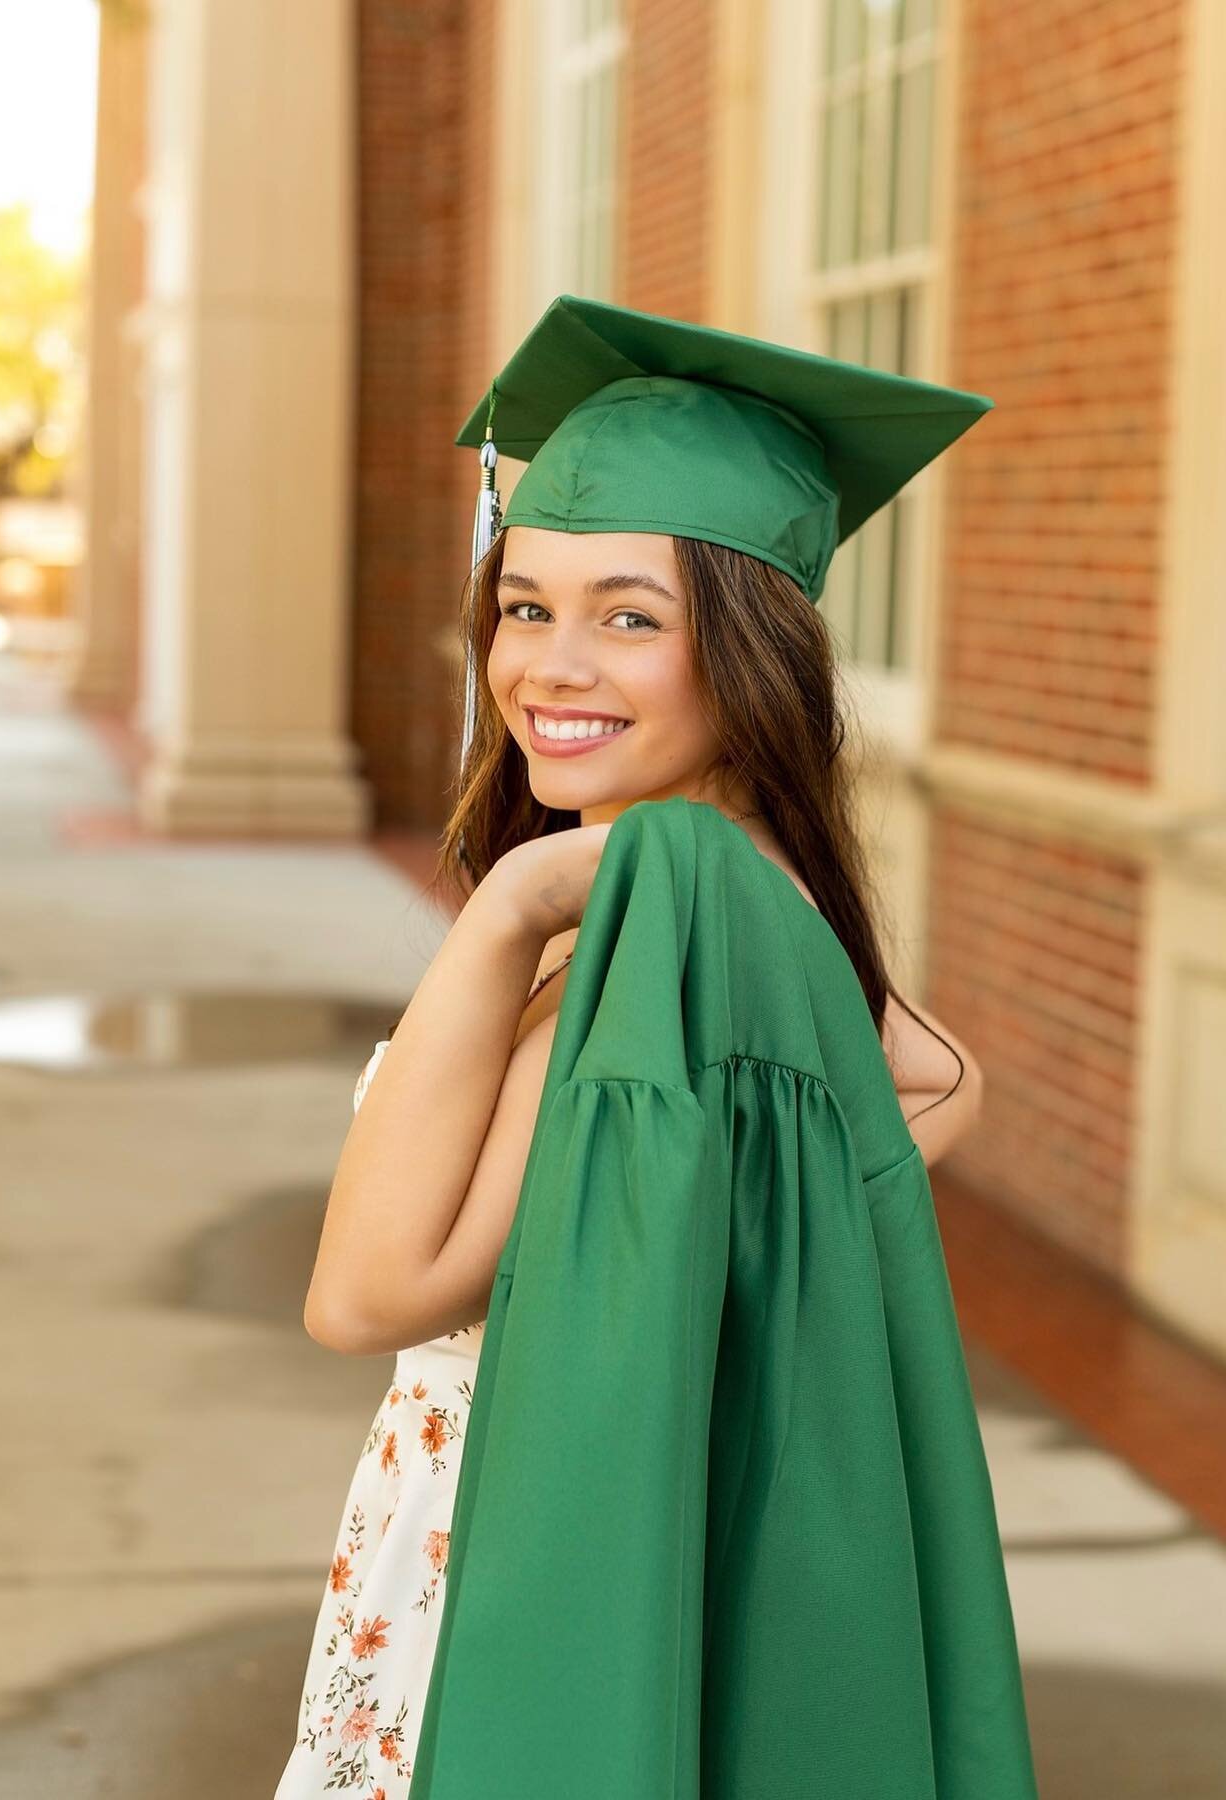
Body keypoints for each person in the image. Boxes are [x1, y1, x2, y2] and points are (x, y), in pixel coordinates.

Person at [273, 294, 998, 1795]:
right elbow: (937, 1079)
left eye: (630, 616)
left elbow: (366, 1295)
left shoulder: (641, 931)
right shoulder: (771, 896)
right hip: (602, 1511)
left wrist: (517, 904)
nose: (550, 665)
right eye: (525, 605)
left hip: (513, 1561)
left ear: (751, 650)